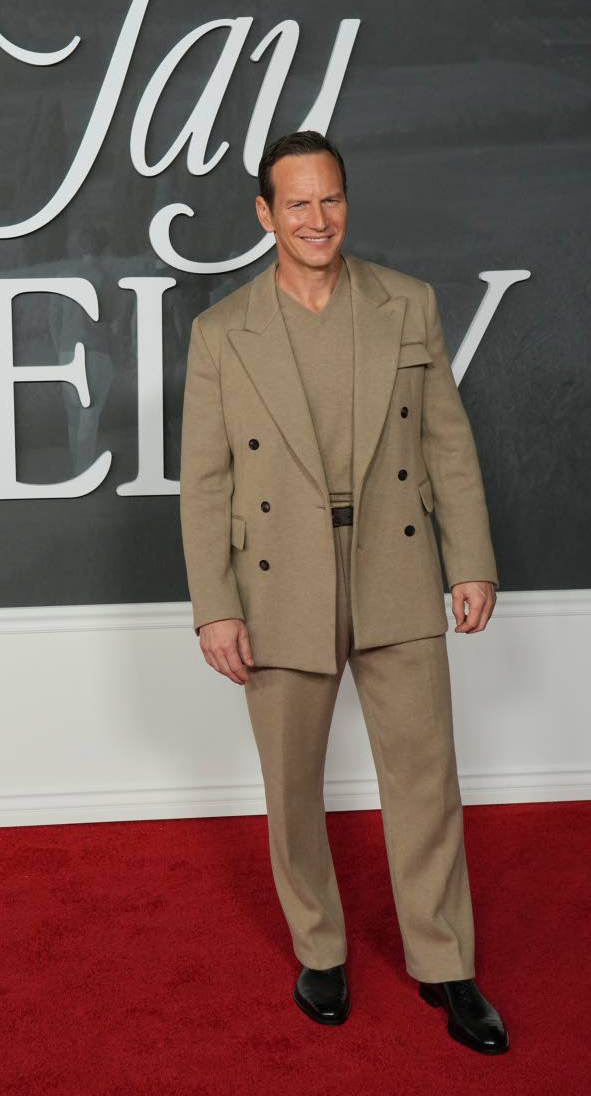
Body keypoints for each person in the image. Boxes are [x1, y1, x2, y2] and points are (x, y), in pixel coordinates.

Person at [178, 130, 509, 1055]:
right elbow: (203, 482)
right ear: (264, 214)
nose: (317, 219)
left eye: (330, 200)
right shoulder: (220, 334)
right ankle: (319, 950)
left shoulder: (407, 305)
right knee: (292, 789)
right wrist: (215, 604)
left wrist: (469, 560)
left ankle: (446, 966)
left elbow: (447, 440)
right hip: (277, 577)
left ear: (345, 204)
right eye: (297, 203)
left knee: (426, 779)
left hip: (394, 564)